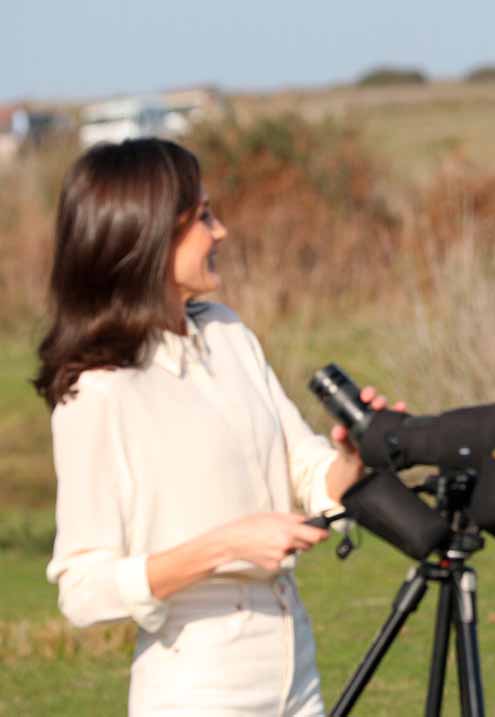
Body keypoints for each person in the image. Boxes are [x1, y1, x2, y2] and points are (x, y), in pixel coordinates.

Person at [35, 138, 402, 716]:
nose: (221, 230)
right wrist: (225, 546)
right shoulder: (98, 392)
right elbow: (82, 589)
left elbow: (306, 470)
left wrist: (358, 455)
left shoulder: (229, 335)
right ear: (148, 235)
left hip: (295, 670)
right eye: (202, 217)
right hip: (198, 686)